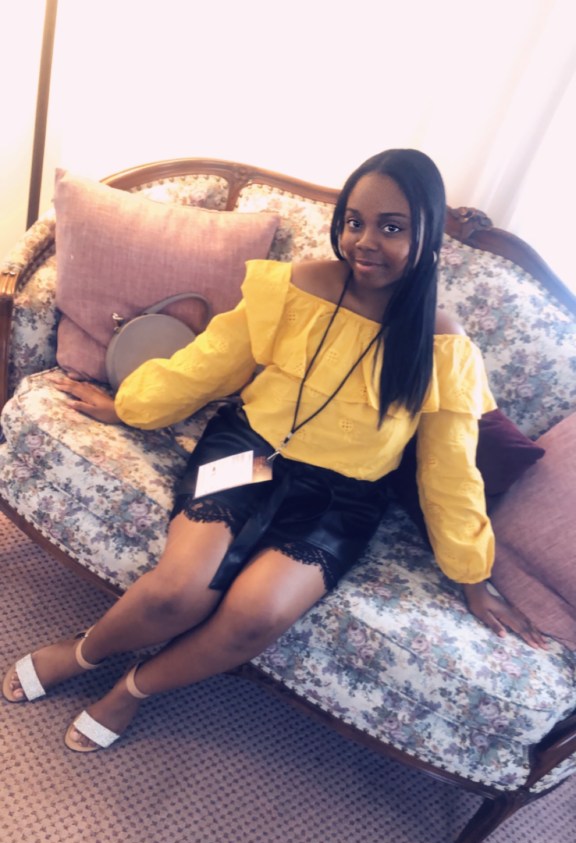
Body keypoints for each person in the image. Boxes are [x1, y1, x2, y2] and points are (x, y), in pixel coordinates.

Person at [2, 148, 546, 751]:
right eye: (354, 221)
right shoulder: (297, 286)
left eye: (392, 227)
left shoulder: (443, 343)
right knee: (178, 590)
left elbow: (451, 467)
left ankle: (133, 689)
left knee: (255, 616)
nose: (365, 242)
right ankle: (82, 653)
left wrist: (473, 575)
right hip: (251, 451)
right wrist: (129, 405)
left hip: (344, 496)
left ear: (428, 236)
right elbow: (213, 360)